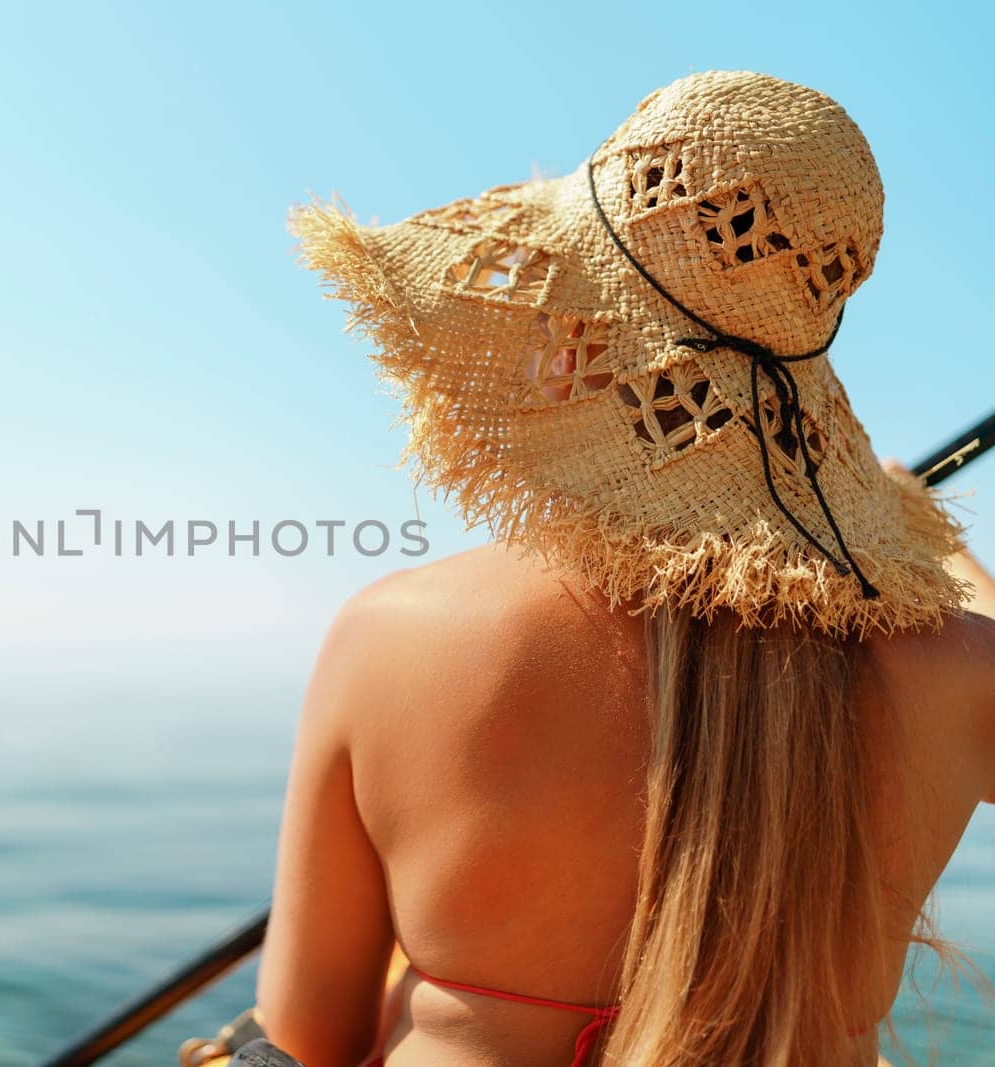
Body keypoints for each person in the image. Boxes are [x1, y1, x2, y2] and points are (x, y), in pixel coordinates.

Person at [258, 71, 994, 1067]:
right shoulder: (959, 671)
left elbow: (307, 1034)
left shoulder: (395, 632)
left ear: (568, 348)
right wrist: (941, 561)